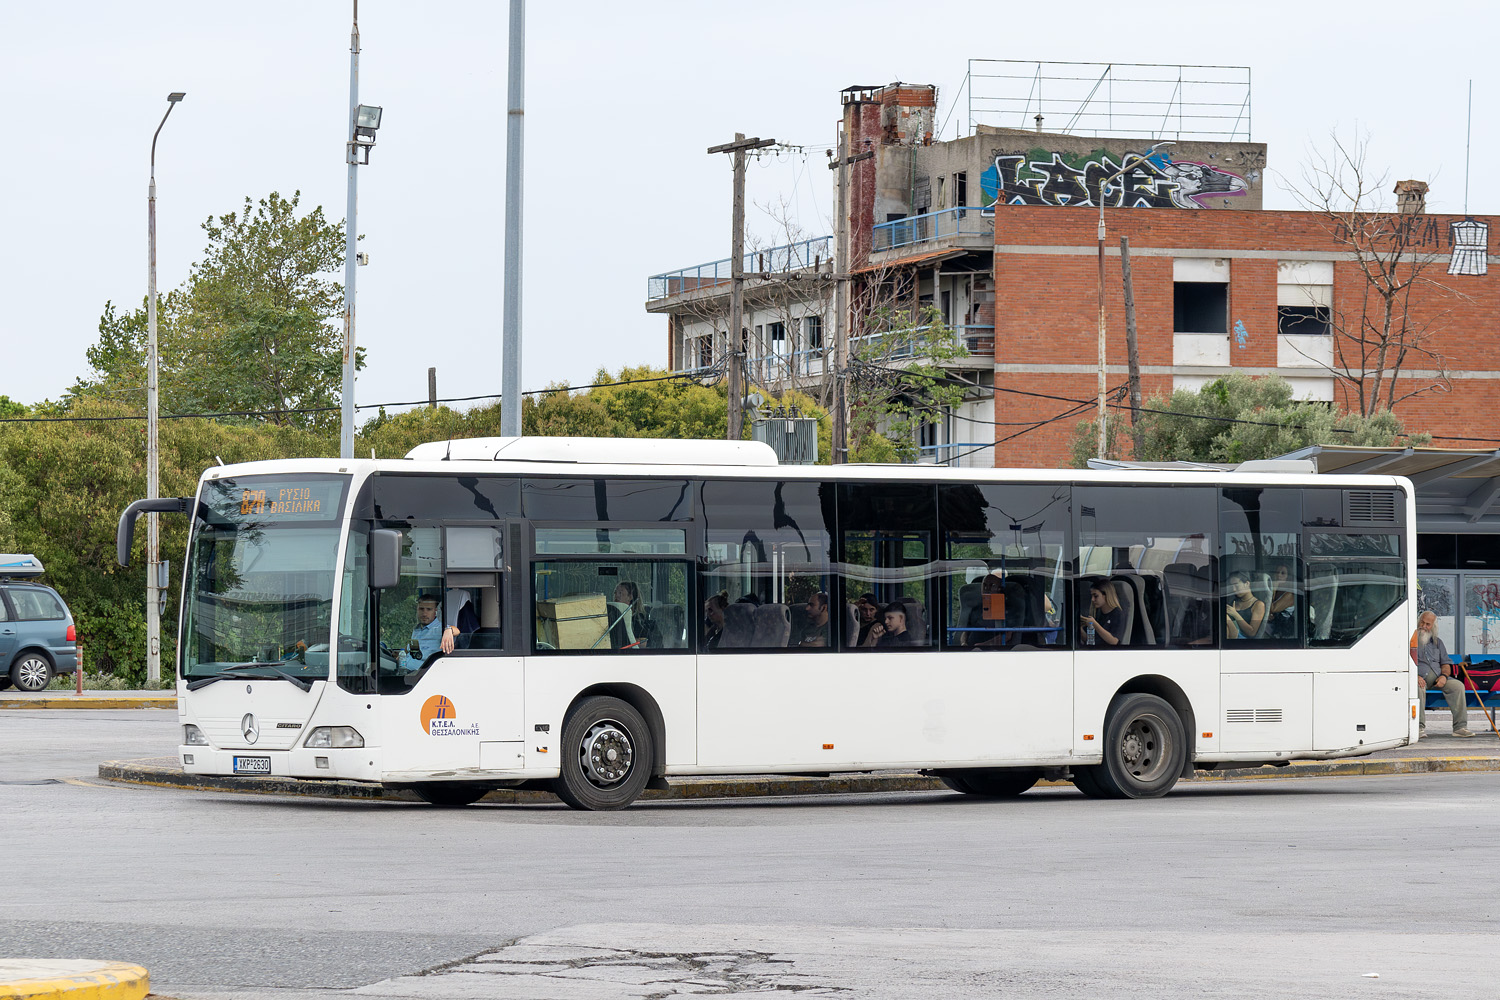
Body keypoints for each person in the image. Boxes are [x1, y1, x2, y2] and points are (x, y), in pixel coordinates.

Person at [1413, 611, 1473, 737]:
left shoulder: (1438, 642)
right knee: (1417, 688)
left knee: (1458, 686)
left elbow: (1446, 664)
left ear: (1433, 627)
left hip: (1438, 678)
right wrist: (1415, 676)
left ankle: (1459, 728)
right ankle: (1418, 728)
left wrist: (1444, 677)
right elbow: (1403, 662)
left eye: (1427, 624)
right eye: (1422, 622)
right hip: (1418, 678)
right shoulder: (1410, 640)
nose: (1423, 626)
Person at [408, 594, 460, 666]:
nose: (424, 614)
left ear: (435, 611)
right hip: (410, 671)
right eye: (421, 609)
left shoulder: (439, 629)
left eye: (429, 609)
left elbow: (457, 631)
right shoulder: (417, 629)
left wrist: (449, 630)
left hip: (424, 673)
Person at [1079, 582, 1125, 647]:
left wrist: (1095, 624)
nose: (1092, 599)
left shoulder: (1117, 614)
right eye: (1091, 596)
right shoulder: (1097, 613)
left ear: (1106, 595)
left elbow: (1114, 641)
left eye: (1096, 596)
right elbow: (1089, 639)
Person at [1224, 571, 1266, 640]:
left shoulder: (1258, 605)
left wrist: (1235, 614)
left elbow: (1252, 633)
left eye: (1236, 585)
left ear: (1246, 584)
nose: (1234, 589)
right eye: (1232, 586)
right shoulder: (1233, 601)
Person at [1266, 563, 1296, 639]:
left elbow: (1272, 608)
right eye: (1277, 572)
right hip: (1272, 625)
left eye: (1283, 573)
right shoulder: (1276, 590)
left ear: (1288, 577)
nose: (1279, 575)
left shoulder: (1289, 594)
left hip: (1284, 630)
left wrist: (1274, 589)